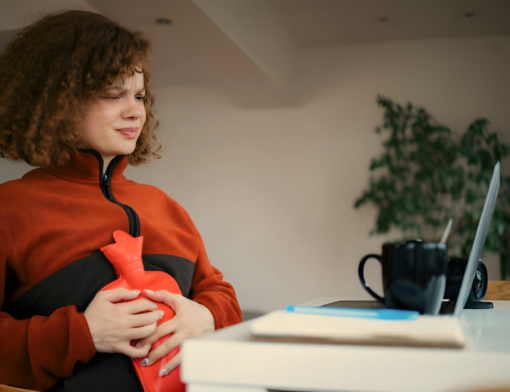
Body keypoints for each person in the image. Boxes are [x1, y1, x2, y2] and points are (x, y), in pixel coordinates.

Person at [0, 10, 242, 392]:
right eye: (113, 95)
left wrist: (208, 315)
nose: (135, 111)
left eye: (140, 96)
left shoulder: (166, 207)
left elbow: (218, 291)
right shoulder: (9, 209)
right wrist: (81, 332)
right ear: (55, 101)